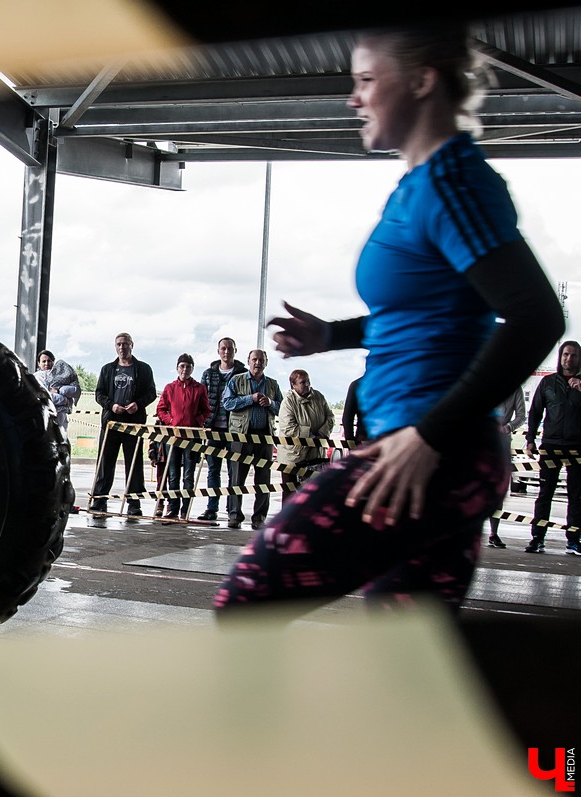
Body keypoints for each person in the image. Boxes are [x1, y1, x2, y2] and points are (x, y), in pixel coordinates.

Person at [214, 25, 563, 618]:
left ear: (424, 81)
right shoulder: (422, 186)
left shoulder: (453, 185)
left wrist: (430, 434)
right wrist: (332, 336)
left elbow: (536, 316)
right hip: (437, 452)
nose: (354, 98)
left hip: (428, 453)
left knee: (247, 599)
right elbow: (425, 319)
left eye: (367, 80)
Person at [90, 332, 156, 518]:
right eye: (119, 344)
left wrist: (138, 404)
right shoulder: (107, 369)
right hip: (111, 424)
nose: (122, 347)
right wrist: (111, 406)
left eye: (125, 344)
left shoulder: (143, 369)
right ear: (115, 347)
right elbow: (99, 393)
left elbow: (151, 393)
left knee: (133, 464)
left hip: (134, 424)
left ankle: (134, 504)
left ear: (132, 345)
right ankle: (99, 500)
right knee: (105, 463)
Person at [524, 341, 581, 555]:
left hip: (577, 448)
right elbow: (535, 412)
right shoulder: (548, 383)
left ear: (579, 358)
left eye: (574, 355)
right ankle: (538, 538)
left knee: (577, 496)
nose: (569, 359)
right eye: (566, 354)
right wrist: (530, 439)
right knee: (545, 493)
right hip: (551, 446)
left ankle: (574, 541)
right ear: (560, 356)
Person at [221, 349, 282, 529]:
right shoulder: (236, 380)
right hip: (241, 436)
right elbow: (228, 403)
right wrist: (250, 399)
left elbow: (281, 408)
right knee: (237, 478)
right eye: (254, 359)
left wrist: (270, 403)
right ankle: (234, 516)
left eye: (261, 360)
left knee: (263, 480)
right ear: (248, 361)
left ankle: (259, 518)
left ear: (266, 362)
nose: (257, 363)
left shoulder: (272, 384)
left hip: (264, 436)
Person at [155, 353, 211, 519]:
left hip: (192, 437)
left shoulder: (199, 389)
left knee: (188, 475)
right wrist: (170, 421)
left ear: (192, 368)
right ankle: (173, 508)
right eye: (182, 366)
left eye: (188, 366)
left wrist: (197, 422)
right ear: (177, 368)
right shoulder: (170, 388)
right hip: (173, 437)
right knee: (173, 474)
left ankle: (185, 510)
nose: (185, 369)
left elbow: (206, 410)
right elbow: (161, 409)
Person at [197, 338, 247, 522]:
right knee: (213, 470)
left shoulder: (243, 373)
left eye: (230, 349)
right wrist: (203, 423)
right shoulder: (209, 374)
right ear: (218, 351)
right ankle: (212, 508)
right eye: (223, 348)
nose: (226, 352)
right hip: (213, 429)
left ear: (235, 350)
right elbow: (201, 401)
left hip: (235, 429)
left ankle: (232, 510)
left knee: (234, 472)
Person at [276, 368, 334, 504]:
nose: (307, 384)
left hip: (315, 456)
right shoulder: (288, 402)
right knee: (290, 493)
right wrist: (312, 437)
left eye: (308, 381)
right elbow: (289, 428)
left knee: (313, 494)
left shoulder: (319, 397)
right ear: (293, 385)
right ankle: (286, 524)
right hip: (292, 457)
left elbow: (330, 417)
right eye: (303, 382)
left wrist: (322, 434)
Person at [487, 386, 526, 548]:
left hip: (501, 442)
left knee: (498, 490)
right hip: (480, 440)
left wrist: (507, 428)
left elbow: (522, 416)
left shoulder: (515, 389)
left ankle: (493, 533)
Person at [35, 350, 81, 430]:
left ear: (53, 362)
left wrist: (59, 390)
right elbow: (44, 395)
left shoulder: (62, 375)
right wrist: (64, 400)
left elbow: (76, 391)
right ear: (39, 363)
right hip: (44, 415)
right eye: (44, 361)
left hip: (60, 415)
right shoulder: (36, 378)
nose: (46, 363)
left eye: (49, 361)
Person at [342, 376, 367, 444]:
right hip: (390, 440)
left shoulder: (357, 384)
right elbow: (347, 417)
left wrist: (351, 443)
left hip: (364, 439)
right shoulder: (393, 384)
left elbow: (347, 417)